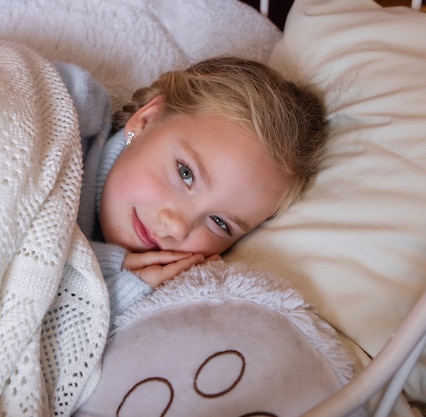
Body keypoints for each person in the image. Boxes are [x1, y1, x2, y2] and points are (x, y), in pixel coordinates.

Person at [64, 56, 328, 328]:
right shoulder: (64, 114)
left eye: (219, 222)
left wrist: (122, 286)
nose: (177, 227)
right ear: (146, 120)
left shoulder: (147, 293)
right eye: (185, 173)